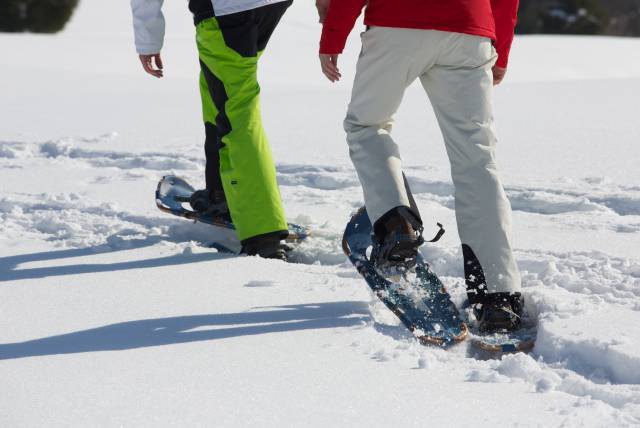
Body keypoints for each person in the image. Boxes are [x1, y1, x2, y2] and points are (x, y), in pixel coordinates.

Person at [319, 0, 524, 331]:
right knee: (476, 158)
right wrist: (500, 43)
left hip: (396, 23)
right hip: (469, 28)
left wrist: (333, 37)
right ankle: (498, 294)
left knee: (367, 126)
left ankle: (395, 224)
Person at [131, 0, 305, 261]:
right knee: (219, 88)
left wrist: (148, 41)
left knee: (237, 112)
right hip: (270, 4)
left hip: (226, 10)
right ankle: (222, 193)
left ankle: (263, 233)